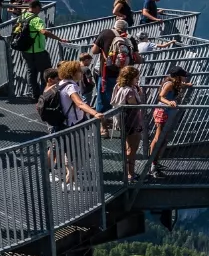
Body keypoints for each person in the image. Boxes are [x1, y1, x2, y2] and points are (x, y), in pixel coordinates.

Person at [53, 60, 103, 189]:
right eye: (79, 71)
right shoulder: (71, 86)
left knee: (69, 153)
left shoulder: (61, 83)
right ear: (73, 73)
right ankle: (69, 182)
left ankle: (70, 179)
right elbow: (79, 103)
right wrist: (95, 113)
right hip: (73, 124)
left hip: (65, 123)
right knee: (80, 154)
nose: (81, 73)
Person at [16, 0, 66, 101]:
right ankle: (45, 95)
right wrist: (59, 38)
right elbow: (43, 31)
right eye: (39, 8)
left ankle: (34, 95)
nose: (40, 10)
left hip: (25, 50)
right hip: (38, 51)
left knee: (31, 72)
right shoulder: (36, 19)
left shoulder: (21, 17)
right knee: (46, 73)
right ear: (36, 7)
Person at [90, 19, 140, 119]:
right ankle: (119, 120)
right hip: (124, 75)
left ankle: (103, 125)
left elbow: (94, 51)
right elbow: (136, 57)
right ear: (126, 28)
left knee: (103, 99)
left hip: (106, 73)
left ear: (114, 26)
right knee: (122, 97)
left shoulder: (105, 33)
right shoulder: (130, 38)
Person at [148, 66, 192, 179]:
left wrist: (186, 85)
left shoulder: (172, 82)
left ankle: (154, 163)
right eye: (182, 76)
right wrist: (169, 102)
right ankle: (152, 165)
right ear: (177, 76)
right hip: (163, 112)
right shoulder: (169, 84)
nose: (184, 78)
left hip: (165, 112)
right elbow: (161, 97)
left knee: (162, 139)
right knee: (158, 139)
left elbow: (177, 86)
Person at [110, 65, 145, 183]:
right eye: (136, 77)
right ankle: (130, 174)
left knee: (127, 148)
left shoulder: (118, 86)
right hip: (132, 122)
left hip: (124, 122)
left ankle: (128, 172)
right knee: (132, 149)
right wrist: (139, 94)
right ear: (131, 78)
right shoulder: (129, 90)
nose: (138, 79)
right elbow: (135, 104)